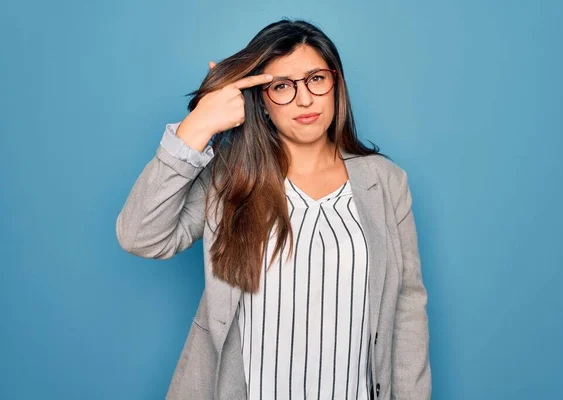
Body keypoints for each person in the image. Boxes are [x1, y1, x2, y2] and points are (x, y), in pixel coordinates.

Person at [116, 18, 431, 400]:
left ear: (336, 84)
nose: (304, 98)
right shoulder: (231, 178)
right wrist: (198, 126)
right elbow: (140, 236)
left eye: (316, 78)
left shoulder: (386, 182)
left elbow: (406, 309)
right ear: (262, 102)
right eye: (282, 86)